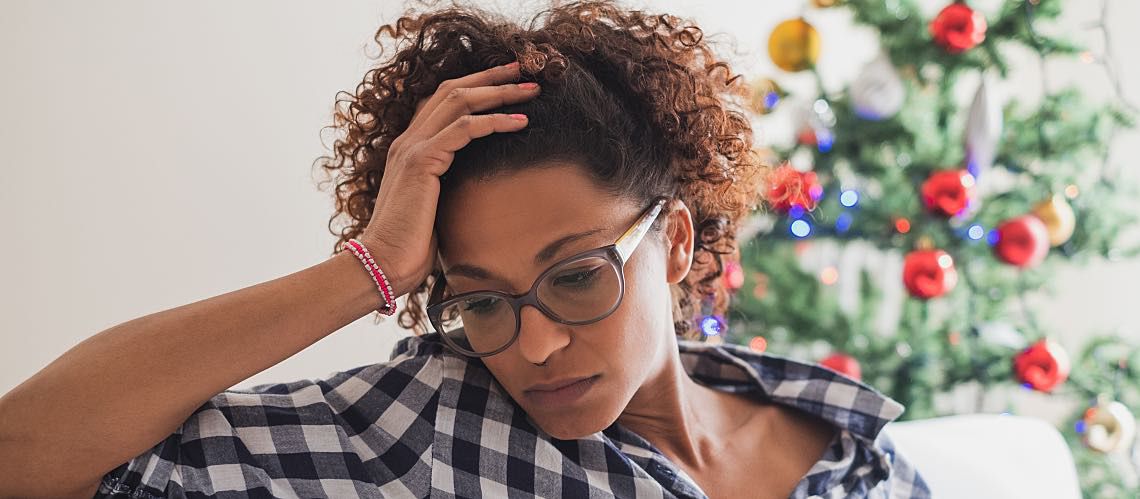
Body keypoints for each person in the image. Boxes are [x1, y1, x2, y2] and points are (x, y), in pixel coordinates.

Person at [0, 1, 931, 497]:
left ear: (676, 239)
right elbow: (22, 453)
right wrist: (363, 271)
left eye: (573, 277)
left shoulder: (857, 450)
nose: (530, 348)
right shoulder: (428, 428)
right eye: (483, 299)